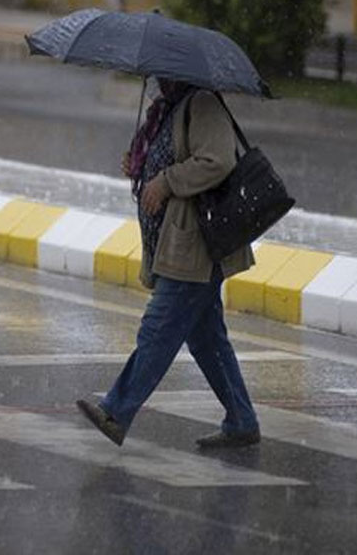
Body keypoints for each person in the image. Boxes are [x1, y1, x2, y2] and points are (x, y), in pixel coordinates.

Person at [76, 77, 261, 449]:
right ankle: (241, 420)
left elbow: (218, 160)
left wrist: (166, 181)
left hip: (196, 243)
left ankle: (116, 411)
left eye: (165, 70)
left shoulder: (202, 103)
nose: (159, 77)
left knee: (158, 330)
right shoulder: (166, 109)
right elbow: (166, 157)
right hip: (176, 242)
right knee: (208, 340)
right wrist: (139, 165)